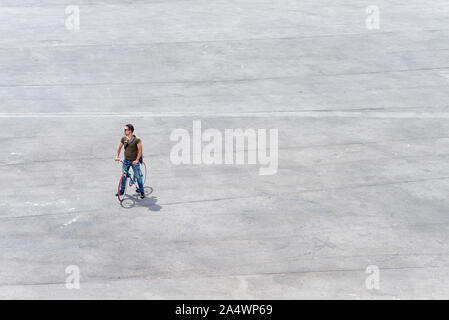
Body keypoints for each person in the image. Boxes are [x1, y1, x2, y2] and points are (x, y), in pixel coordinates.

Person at [115, 124, 145, 199]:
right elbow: (119, 148)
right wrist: (117, 157)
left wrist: (137, 160)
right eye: (124, 129)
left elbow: (140, 151)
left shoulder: (137, 139)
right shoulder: (123, 138)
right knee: (124, 176)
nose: (124, 131)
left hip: (134, 161)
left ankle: (141, 191)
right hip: (126, 160)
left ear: (130, 131)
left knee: (138, 177)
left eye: (126, 129)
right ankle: (122, 190)